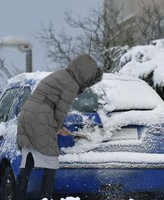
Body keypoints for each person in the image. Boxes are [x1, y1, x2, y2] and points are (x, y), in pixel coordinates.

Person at [16, 54, 103, 200]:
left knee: (29, 159)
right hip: (41, 117)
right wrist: (57, 127)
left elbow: (51, 101)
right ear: (86, 76)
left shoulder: (60, 74)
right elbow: (61, 109)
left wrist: (58, 126)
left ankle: (18, 196)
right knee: (51, 160)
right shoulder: (72, 84)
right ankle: (46, 197)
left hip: (27, 114)